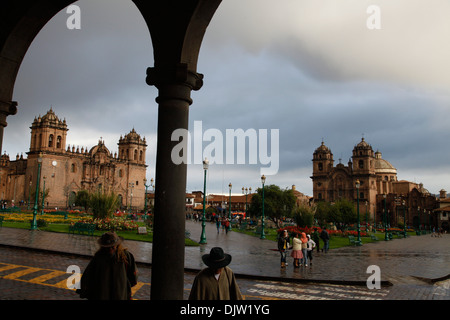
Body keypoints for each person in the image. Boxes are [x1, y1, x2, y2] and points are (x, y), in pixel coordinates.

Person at [77, 232, 138, 300]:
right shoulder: (98, 258)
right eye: (108, 247)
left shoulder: (126, 257)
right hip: (113, 294)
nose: (110, 249)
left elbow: (87, 278)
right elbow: (88, 277)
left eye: (112, 246)